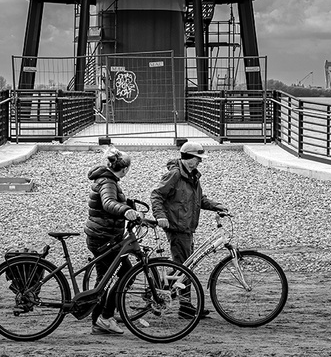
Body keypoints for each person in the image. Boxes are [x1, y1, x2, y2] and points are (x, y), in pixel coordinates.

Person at [151, 142, 227, 318]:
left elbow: (199, 199)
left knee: (183, 266)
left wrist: (217, 206)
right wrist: (160, 216)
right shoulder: (176, 174)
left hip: (186, 227)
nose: (199, 162)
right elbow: (156, 194)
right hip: (177, 227)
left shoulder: (192, 175)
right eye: (197, 159)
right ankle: (183, 307)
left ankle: (163, 293)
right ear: (188, 158)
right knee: (185, 267)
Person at [85, 146, 145, 336]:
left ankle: (101, 319)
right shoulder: (108, 182)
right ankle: (104, 318)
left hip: (103, 235)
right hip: (104, 237)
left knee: (109, 276)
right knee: (114, 274)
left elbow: (111, 202)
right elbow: (108, 203)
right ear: (125, 169)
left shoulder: (106, 179)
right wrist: (126, 211)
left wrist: (129, 205)